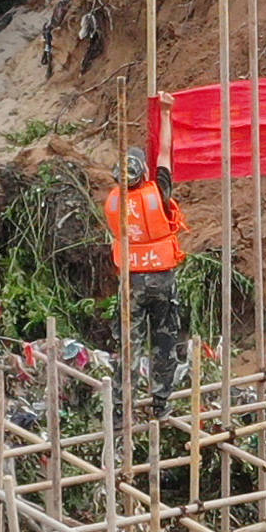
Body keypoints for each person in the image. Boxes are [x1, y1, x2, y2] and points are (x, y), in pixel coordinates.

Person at [102, 147, 189, 421]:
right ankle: (160, 403)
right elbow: (164, 155)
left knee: (130, 345)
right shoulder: (158, 195)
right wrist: (165, 113)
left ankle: (120, 407)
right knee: (164, 343)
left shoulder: (115, 202)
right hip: (161, 281)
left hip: (133, 283)